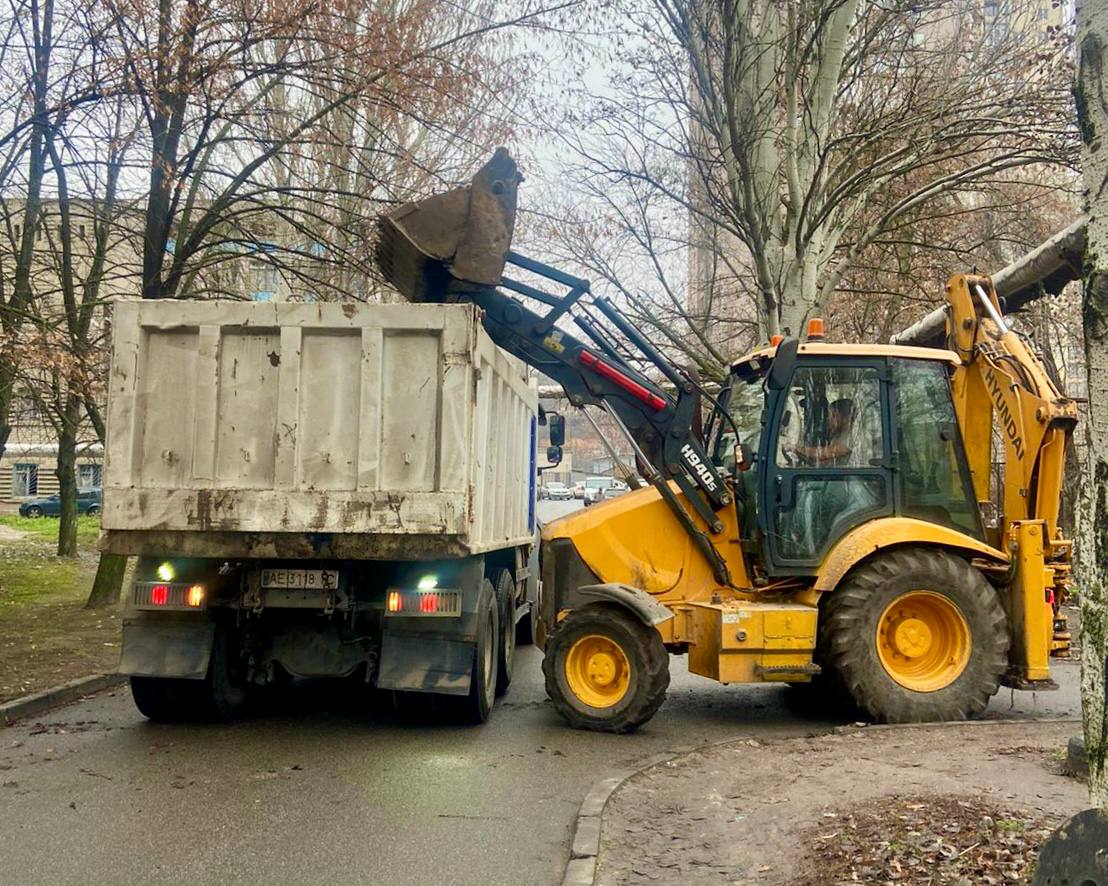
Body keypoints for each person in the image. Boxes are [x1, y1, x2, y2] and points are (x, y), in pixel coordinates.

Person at [791, 398, 856, 466]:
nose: (829, 419)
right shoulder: (837, 436)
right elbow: (824, 461)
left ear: (846, 418)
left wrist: (795, 448)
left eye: (833, 415)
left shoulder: (850, 438)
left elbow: (823, 454)